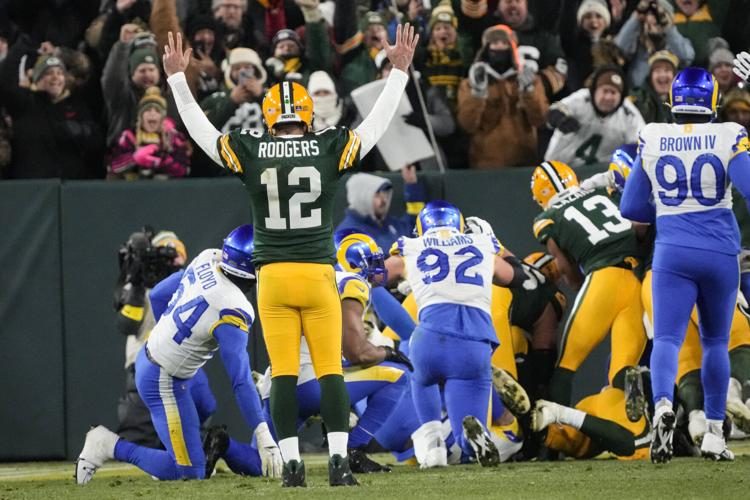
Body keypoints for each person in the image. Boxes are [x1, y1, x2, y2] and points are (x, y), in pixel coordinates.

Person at [162, 24, 419, 487]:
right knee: (329, 372)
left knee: (282, 373)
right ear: (308, 113)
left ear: (266, 115)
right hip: (318, 273)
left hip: (274, 277)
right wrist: (398, 72)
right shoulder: (326, 147)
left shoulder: (253, 150)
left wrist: (179, 81)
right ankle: (339, 463)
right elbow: (375, 126)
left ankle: (293, 467)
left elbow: (201, 134)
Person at [75, 225, 282, 483]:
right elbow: (240, 380)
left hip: (161, 360)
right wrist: (262, 433)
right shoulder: (234, 308)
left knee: (206, 405)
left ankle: (202, 446)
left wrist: (168, 336)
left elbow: (161, 293)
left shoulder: (209, 257)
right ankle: (107, 444)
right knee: (188, 472)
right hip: (162, 377)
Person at [619, 67, 750, 463]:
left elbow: (631, 207)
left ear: (672, 102)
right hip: (720, 252)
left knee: (667, 340)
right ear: (713, 102)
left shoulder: (654, 136)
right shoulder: (729, 134)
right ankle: (713, 432)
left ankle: (662, 407)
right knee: (714, 342)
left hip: (672, 250)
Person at [384, 201, 544, 468]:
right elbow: (512, 276)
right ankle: (472, 440)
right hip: (473, 343)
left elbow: (375, 273)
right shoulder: (481, 244)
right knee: (467, 428)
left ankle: (433, 444)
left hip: (428, 340)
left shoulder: (411, 246)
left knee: (422, 380)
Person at [256, 230, 416, 474]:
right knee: (398, 374)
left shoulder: (310, 277)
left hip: (277, 387)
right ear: (352, 262)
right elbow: (356, 352)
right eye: (370, 261)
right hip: (314, 385)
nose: (376, 267)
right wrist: (386, 352)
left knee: (263, 461)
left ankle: (223, 446)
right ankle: (352, 450)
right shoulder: (351, 282)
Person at [530, 161, 646, 409]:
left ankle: (553, 441)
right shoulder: (602, 190)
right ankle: (640, 422)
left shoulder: (547, 218)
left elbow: (564, 268)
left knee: (566, 365)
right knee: (623, 369)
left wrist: (582, 286)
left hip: (604, 276)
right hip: (639, 276)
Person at [113, 228, 187, 448]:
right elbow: (126, 325)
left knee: (192, 416)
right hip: (142, 361)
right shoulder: (138, 284)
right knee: (139, 428)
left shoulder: (186, 282)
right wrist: (136, 287)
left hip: (179, 360)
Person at [545, 65, 645, 167]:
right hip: (559, 169)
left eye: (613, 92)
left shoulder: (629, 114)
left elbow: (643, 145)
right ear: (594, 91)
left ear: (621, 97)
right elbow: (552, 113)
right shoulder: (581, 99)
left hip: (599, 177)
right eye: (605, 91)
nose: (608, 97)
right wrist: (560, 119)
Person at [109, 87, 192, 179]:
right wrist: (134, 158)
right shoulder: (128, 136)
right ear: (140, 116)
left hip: (166, 190)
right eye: (147, 110)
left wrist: (158, 161)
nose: (152, 113)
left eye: (157, 111)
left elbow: (184, 170)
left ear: (163, 117)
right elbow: (113, 166)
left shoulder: (174, 138)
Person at [336, 168, 427, 253]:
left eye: (385, 194)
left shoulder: (388, 223)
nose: (384, 200)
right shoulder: (348, 235)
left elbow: (413, 230)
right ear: (361, 197)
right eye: (377, 195)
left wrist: (412, 186)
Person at [628, 50, 678, 124]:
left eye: (667, 70)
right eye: (658, 70)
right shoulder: (637, 100)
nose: (663, 75)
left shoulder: (682, 101)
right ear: (650, 76)